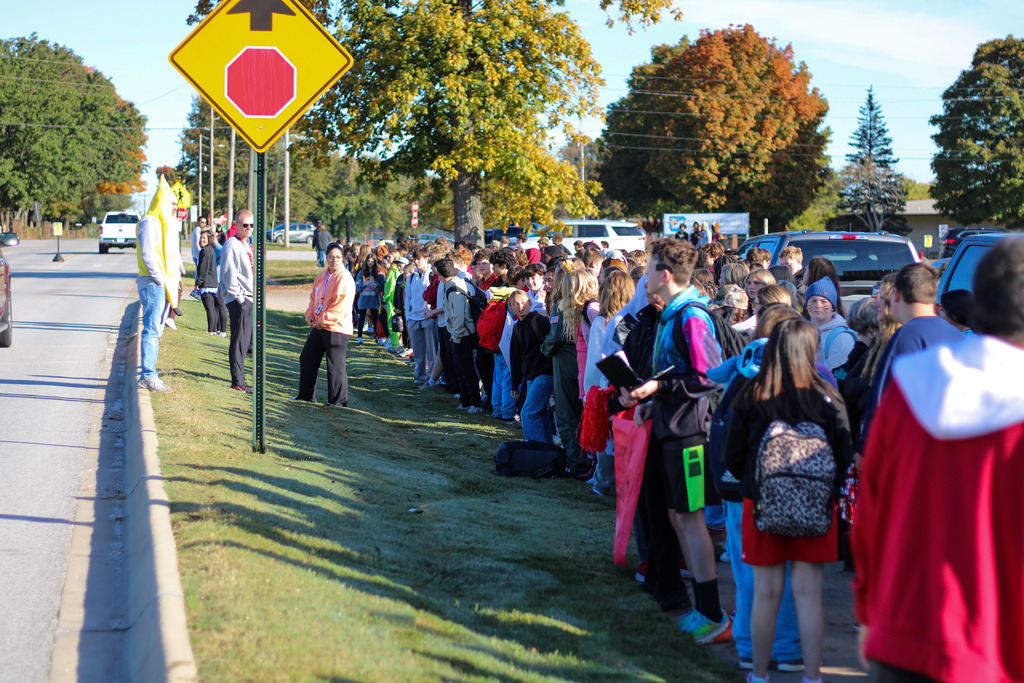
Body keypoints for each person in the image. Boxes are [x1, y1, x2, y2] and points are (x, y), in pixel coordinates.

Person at [853, 238, 1024, 683]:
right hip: (1003, 645)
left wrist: (870, 608)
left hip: (907, 629)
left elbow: (872, 511)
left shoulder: (912, 384)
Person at [724, 317, 853, 683]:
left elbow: (732, 455)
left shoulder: (754, 394)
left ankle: (760, 675)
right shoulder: (827, 397)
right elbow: (843, 454)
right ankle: (813, 676)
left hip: (762, 503)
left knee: (766, 592)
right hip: (815, 507)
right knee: (809, 594)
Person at [621, 238, 728, 643]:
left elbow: (709, 375)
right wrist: (651, 400)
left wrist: (657, 389)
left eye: (648, 270)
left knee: (690, 517)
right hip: (669, 429)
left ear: (664, 275)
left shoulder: (691, 316)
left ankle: (713, 614)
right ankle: (705, 610)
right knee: (675, 516)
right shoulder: (669, 314)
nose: (643, 278)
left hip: (691, 437)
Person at [862, 263, 962, 437]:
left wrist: (865, 449)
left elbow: (883, 402)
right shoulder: (957, 336)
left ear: (897, 295)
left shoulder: (906, 336)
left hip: (911, 445)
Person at [295, 243, 356, 407]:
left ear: (343, 258)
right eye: (331, 257)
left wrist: (322, 321)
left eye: (338, 257)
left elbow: (341, 306)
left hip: (336, 328)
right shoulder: (322, 276)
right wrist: (309, 316)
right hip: (319, 327)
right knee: (307, 357)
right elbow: (314, 300)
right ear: (326, 257)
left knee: (335, 365)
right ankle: (306, 396)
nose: (334, 260)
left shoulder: (345, 278)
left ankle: (338, 401)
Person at [136, 177, 179, 392]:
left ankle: (150, 373)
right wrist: (160, 279)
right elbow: (148, 254)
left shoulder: (164, 224)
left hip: (162, 284)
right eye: (171, 204)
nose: (175, 208)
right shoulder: (149, 222)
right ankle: (148, 376)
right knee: (152, 329)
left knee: (158, 329)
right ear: (161, 201)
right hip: (153, 283)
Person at [439, 257, 483, 413]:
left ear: (439, 273)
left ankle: (474, 403)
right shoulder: (456, 285)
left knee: (466, 369)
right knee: (461, 369)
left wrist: (455, 334)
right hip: (462, 332)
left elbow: (458, 315)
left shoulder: (454, 289)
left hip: (463, 333)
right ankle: (465, 401)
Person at [509, 291, 555, 441]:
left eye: (523, 302)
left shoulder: (539, 320)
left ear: (530, 303)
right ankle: (546, 449)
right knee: (540, 413)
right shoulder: (516, 328)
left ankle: (535, 448)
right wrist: (515, 384)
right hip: (531, 376)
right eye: (515, 304)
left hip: (546, 373)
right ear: (511, 307)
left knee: (528, 412)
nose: (520, 306)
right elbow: (515, 357)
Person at [220, 209, 255, 393]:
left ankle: (241, 380)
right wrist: (240, 298)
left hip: (247, 298)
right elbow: (227, 274)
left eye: (251, 225)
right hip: (238, 300)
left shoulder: (246, 244)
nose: (249, 228)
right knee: (239, 341)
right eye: (245, 225)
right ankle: (237, 381)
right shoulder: (231, 244)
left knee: (244, 343)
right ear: (237, 225)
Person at [803, 277, 857, 372]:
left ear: (832, 307)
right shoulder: (805, 331)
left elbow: (833, 377)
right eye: (813, 300)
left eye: (824, 301)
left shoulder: (842, 337)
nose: (818, 305)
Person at [406, 248, 437, 384]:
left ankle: (432, 377)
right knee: (418, 352)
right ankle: (419, 376)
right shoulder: (412, 277)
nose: (417, 262)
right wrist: (408, 316)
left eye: (419, 259)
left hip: (428, 317)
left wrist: (430, 313)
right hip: (414, 317)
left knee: (431, 351)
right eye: (415, 259)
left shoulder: (431, 275)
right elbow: (408, 297)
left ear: (426, 259)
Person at [195, 229, 227, 337]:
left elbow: (203, 270)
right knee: (214, 308)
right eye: (201, 238)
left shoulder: (205, 251)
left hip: (207, 284)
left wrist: (198, 283)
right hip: (213, 283)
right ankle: (217, 330)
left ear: (209, 239)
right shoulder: (210, 250)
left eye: (204, 238)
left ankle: (211, 330)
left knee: (210, 308)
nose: (201, 240)